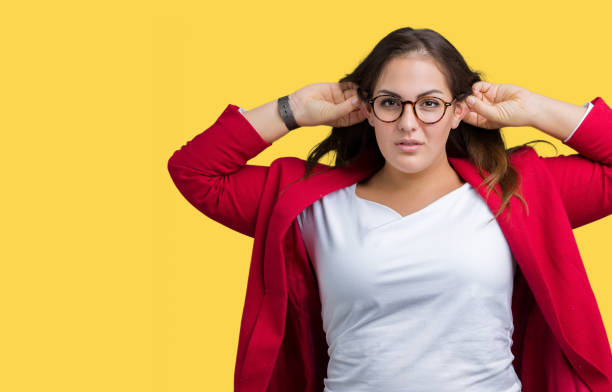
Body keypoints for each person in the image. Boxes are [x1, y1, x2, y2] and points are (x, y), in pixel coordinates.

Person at [167, 27, 612, 391]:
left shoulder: (517, 190)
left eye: (430, 104)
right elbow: (195, 173)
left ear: (459, 111)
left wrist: (535, 109)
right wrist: (296, 108)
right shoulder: (312, 205)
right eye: (390, 102)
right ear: (368, 109)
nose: (408, 123)